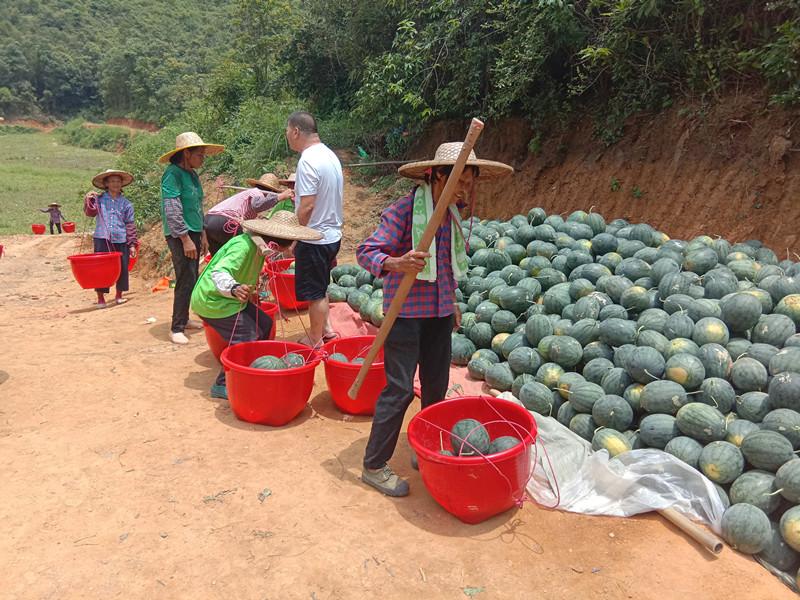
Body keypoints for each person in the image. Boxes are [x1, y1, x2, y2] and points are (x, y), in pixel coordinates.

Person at [356, 142, 513, 497]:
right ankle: (374, 465)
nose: (464, 191)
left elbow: (445, 265)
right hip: (406, 314)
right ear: (438, 176)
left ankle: (424, 445)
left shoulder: (451, 216)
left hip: (439, 314)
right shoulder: (403, 211)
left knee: (436, 388)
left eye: (469, 184)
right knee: (398, 390)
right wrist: (397, 262)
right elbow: (366, 252)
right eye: (459, 182)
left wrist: (452, 301)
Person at [190, 211, 322, 399]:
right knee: (247, 335)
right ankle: (222, 384)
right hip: (213, 300)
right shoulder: (243, 246)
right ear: (274, 243)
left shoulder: (260, 247)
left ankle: (260, 367)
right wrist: (234, 288)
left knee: (265, 325)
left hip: (232, 299)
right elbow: (219, 272)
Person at [158, 132, 224, 345]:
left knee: (192, 276)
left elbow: (197, 206)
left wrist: (203, 233)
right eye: (199, 154)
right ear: (186, 154)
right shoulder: (172, 174)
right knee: (185, 277)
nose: (202, 159)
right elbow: (172, 208)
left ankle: (185, 319)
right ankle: (176, 327)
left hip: (194, 231)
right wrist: (185, 238)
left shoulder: (193, 175)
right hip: (179, 234)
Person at [284, 111, 344, 347]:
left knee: (315, 292)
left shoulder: (308, 160)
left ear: (296, 131)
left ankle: (316, 338)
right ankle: (326, 328)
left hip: (314, 238)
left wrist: (296, 236)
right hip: (331, 235)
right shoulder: (330, 155)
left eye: (288, 131)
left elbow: (307, 205)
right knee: (321, 285)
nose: (288, 136)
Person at [83, 169, 138, 307]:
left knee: (122, 267)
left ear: (122, 184)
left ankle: (119, 295)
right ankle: (101, 298)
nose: (115, 184)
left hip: (121, 238)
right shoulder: (99, 200)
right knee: (100, 269)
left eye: (118, 181)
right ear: (106, 184)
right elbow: (90, 212)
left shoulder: (127, 204)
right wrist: (88, 199)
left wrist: (131, 244)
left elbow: (130, 224)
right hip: (102, 238)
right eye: (112, 181)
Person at [204, 173, 294, 256]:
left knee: (219, 257)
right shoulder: (256, 193)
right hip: (225, 222)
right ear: (271, 191)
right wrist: (280, 197)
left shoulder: (246, 195)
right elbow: (257, 205)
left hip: (208, 221)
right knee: (240, 251)